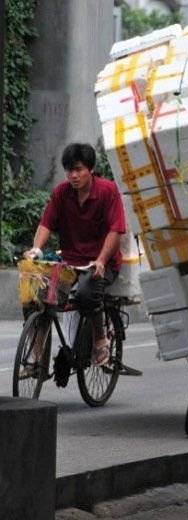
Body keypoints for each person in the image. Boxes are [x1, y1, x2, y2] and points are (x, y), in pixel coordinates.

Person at [25, 143, 126, 366]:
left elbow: (116, 230)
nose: (73, 175)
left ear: (91, 169)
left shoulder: (107, 191)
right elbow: (46, 223)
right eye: (69, 170)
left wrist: (101, 260)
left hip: (101, 263)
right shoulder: (62, 193)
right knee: (36, 295)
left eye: (78, 169)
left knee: (86, 293)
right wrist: (36, 249)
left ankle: (99, 340)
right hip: (69, 263)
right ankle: (35, 352)